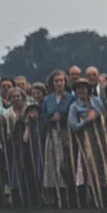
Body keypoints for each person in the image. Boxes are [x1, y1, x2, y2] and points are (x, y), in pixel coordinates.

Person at [40, 70, 75, 200]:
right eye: (56, 81)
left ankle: (68, 193)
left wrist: (63, 117)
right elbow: (42, 116)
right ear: (52, 83)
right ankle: (54, 194)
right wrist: (50, 119)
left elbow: (73, 114)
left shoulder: (71, 98)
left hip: (66, 133)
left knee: (65, 162)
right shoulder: (47, 99)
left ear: (65, 82)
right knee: (52, 163)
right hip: (52, 132)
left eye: (61, 80)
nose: (59, 83)